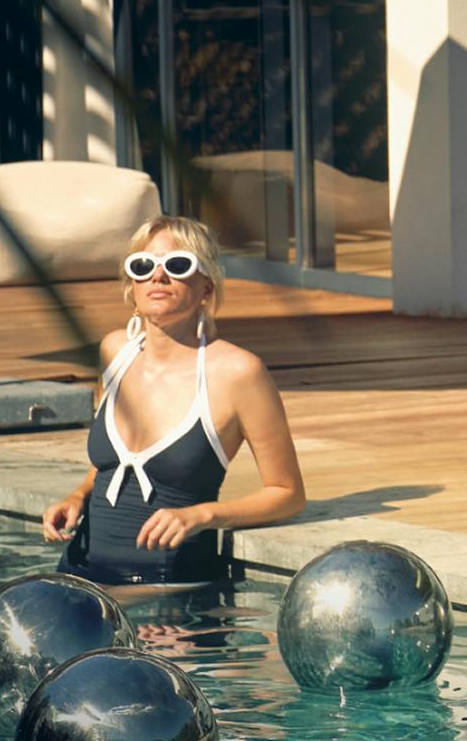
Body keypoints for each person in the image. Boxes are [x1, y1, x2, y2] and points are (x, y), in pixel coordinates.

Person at [41, 217, 305, 619]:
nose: (158, 276)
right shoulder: (116, 353)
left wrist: (202, 515)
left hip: (167, 598)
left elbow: (288, 493)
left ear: (206, 288)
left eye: (178, 265)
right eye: (143, 266)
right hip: (80, 574)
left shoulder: (238, 373)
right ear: (131, 288)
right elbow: (111, 466)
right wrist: (78, 496)